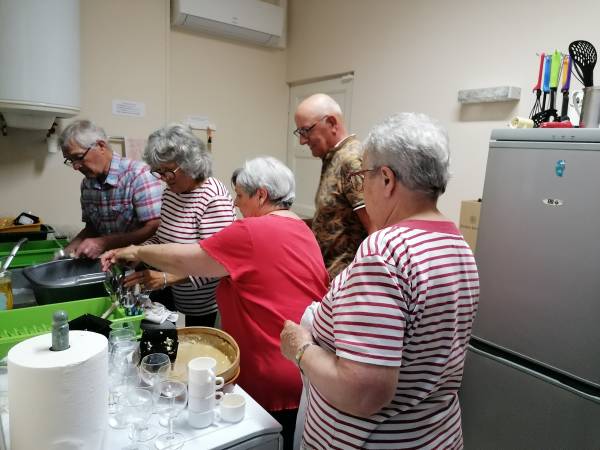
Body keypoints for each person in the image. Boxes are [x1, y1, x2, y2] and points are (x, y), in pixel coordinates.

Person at [280, 113, 480, 449]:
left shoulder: (385, 250)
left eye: (364, 175)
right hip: (433, 436)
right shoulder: (457, 243)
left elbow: (364, 392)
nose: (363, 185)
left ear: (386, 179)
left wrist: (300, 349)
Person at [101, 156, 329, 450]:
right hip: (301, 370)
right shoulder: (301, 229)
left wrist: (135, 250)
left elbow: (191, 259)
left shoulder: (251, 231)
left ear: (261, 194)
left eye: (241, 196)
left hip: (270, 377)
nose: (235, 204)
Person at [120, 124, 235, 327]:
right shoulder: (171, 193)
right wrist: (138, 253)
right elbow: (163, 238)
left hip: (205, 305)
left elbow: (218, 264)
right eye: (158, 172)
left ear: (190, 164)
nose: (163, 179)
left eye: (168, 172)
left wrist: (166, 278)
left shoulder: (213, 198)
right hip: (175, 296)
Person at [59, 120, 163, 259]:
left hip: (140, 262)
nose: (76, 166)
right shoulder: (87, 185)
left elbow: (154, 228)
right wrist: (65, 253)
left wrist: (104, 242)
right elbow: (92, 228)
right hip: (108, 262)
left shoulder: (139, 175)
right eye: (70, 161)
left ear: (101, 146)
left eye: (78, 157)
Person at [294, 93, 371, 278]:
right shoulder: (334, 156)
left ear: (331, 123)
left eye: (306, 131)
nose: (302, 141)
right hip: (330, 282)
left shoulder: (351, 160)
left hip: (346, 286)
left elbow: (375, 228)